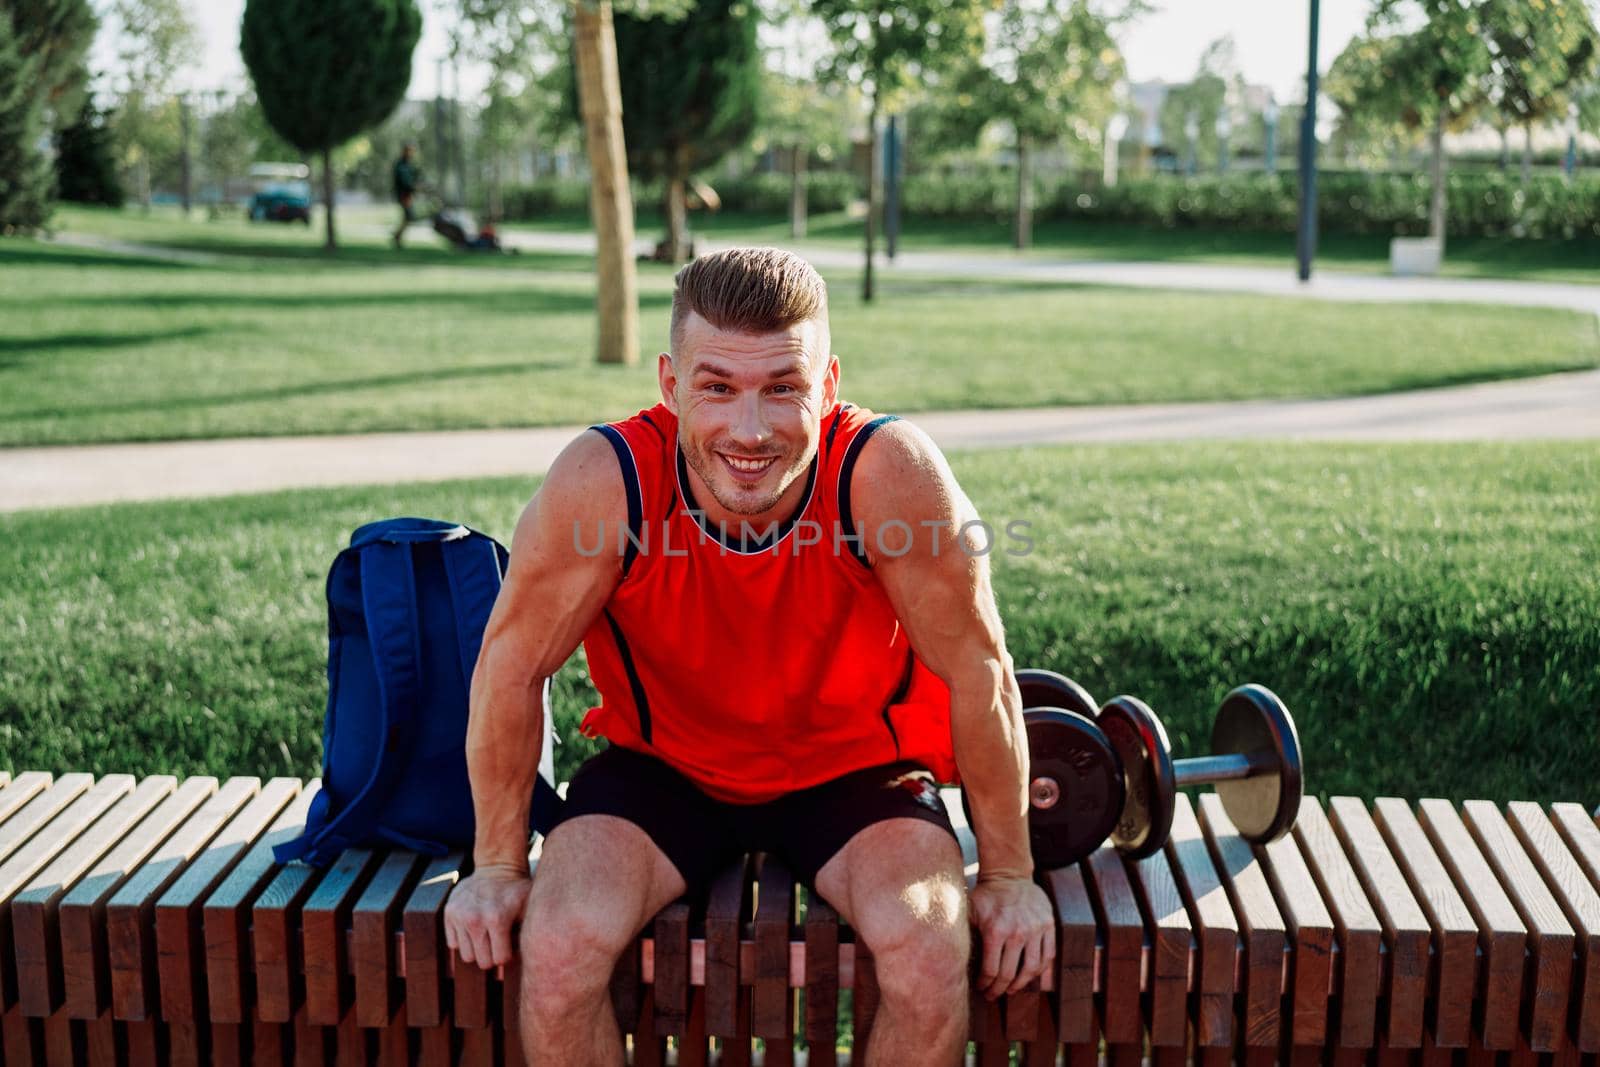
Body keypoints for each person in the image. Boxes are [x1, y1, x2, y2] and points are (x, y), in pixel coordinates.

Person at [442, 247, 1054, 1065]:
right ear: (669, 384)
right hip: (664, 772)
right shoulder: (605, 481)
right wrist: (494, 863)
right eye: (718, 387)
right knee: (555, 951)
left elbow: (981, 670)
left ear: (829, 386)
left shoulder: (889, 476)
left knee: (928, 947)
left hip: (855, 772)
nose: (751, 428)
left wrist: (1010, 876)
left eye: (783, 388)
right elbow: (512, 666)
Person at [391, 144, 421, 248]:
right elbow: (406, 182)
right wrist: (414, 187)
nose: (411, 153)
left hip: (408, 194)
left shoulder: (408, 164)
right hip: (403, 194)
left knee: (407, 218)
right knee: (408, 216)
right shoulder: (401, 165)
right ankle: (397, 235)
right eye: (409, 151)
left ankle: (397, 235)